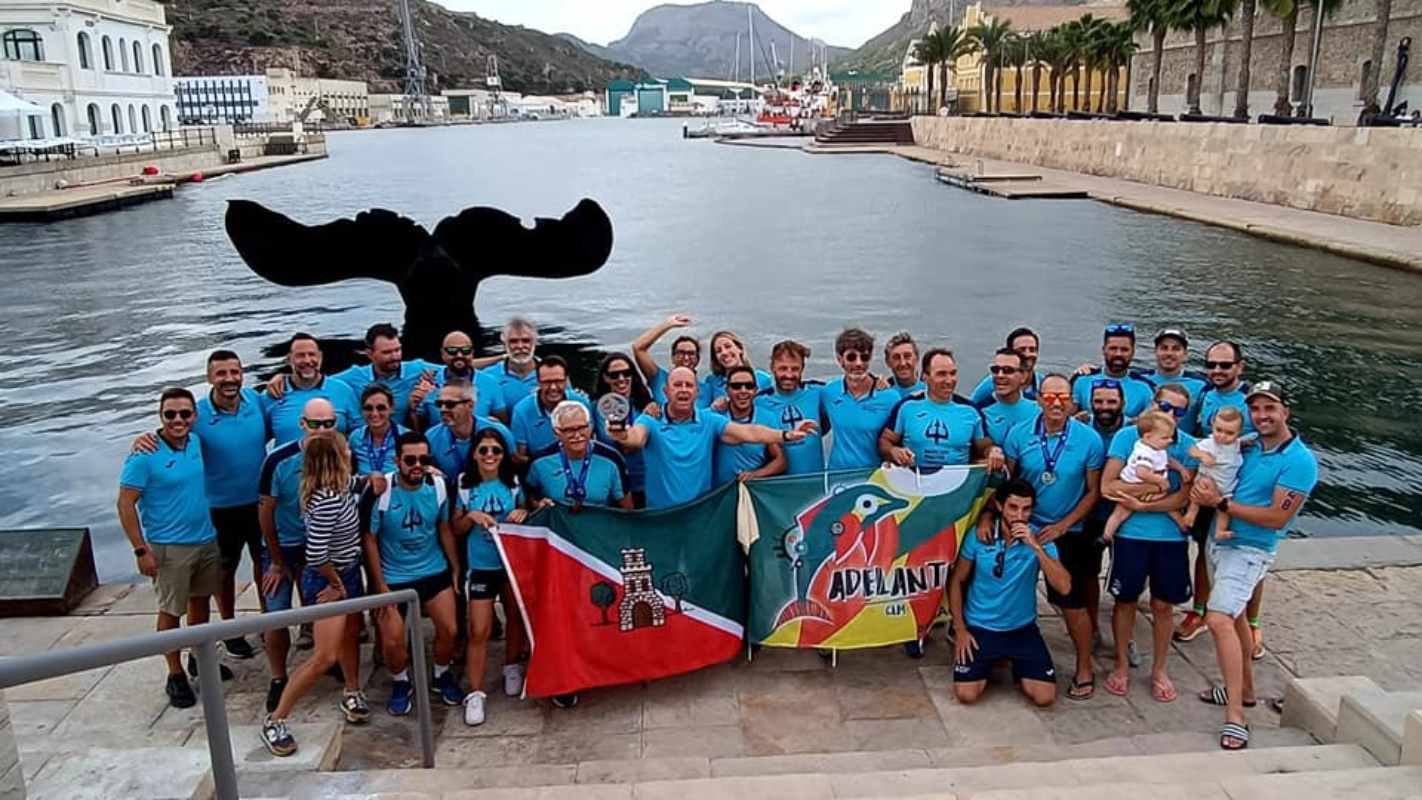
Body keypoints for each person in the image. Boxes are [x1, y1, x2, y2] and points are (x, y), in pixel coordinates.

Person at [1189, 381, 1317, 751]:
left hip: (1250, 550)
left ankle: (1235, 717)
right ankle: (1244, 690)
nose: (1262, 416)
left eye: (1270, 409)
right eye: (1256, 409)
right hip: (1221, 542)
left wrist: (1221, 504)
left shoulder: (1299, 461)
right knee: (1239, 615)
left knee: (1218, 619)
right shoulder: (1249, 444)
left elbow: (1278, 517)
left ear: (1285, 412)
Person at [261, 434, 371, 757]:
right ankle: (276, 719)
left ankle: (352, 690)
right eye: (346, 450)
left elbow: (362, 482)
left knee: (351, 634)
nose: (351, 452)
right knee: (324, 656)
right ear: (337, 458)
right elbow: (316, 554)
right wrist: (337, 586)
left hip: (347, 571)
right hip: (328, 579)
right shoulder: (326, 501)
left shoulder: (343, 487)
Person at [116, 388, 225, 709]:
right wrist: (140, 549)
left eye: (185, 414)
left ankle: (199, 658)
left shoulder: (196, 443)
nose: (178, 420)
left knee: (201, 603)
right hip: (168, 547)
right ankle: (174, 673)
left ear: (194, 416)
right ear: (160, 416)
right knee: (170, 610)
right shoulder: (144, 455)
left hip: (205, 539)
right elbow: (125, 504)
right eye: (170, 414)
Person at [1000, 374, 1105, 699]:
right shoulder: (1018, 435)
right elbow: (1009, 483)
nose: (1056, 403)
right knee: (1006, 586)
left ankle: (1084, 665)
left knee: (1070, 602)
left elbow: (1093, 492)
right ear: (1039, 400)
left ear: (1073, 401)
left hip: (1068, 530)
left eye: (1062, 397)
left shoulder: (1089, 440)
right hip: (1025, 524)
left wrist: (1063, 525)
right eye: (1049, 396)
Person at [1100, 383, 1199, 702]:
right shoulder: (1128, 438)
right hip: (1130, 535)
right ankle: (1121, 665)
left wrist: (1143, 503)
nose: (1169, 415)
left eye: (1178, 411)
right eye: (1164, 406)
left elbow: (1184, 496)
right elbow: (1107, 485)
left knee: (1163, 605)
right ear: (1152, 403)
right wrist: (1153, 494)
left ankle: (1159, 669)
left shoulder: (1187, 446)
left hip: (1169, 538)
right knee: (1125, 600)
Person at [607, 366, 815, 509]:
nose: (683, 390)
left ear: (697, 391)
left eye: (689, 385)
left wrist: (786, 434)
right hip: (661, 515)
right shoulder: (651, 419)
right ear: (666, 391)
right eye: (677, 385)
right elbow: (636, 438)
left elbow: (750, 432)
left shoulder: (709, 420)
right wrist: (622, 434)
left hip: (702, 513)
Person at [361, 431, 464, 714]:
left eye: (424, 459)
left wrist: (455, 568)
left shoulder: (439, 486)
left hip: (433, 569)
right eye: (410, 459)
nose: (417, 465)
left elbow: (444, 528)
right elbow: (369, 537)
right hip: (394, 576)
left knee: (450, 630)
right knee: (393, 642)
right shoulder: (382, 492)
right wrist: (379, 585)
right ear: (397, 461)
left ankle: (441, 674)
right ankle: (401, 680)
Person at [948, 480, 1070, 707]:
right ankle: (994, 661)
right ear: (1000, 506)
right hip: (981, 626)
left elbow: (1064, 586)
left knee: (1044, 698)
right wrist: (960, 629)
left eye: (1026, 509)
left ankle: (1010, 661)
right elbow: (957, 581)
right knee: (967, 694)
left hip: (1021, 628)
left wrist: (1035, 546)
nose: (1019, 515)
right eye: (1013, 508)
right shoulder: (980, 534)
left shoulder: (1039, 538)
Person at [182, 351, 268, 659]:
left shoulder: (257, 402)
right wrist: (146, 442)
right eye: (221, 374)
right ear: (209, 378)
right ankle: (229, 628)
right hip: (219, 508)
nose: (229, 379)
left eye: (234, 372)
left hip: (259, 503)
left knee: (265, 565)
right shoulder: (198, 415)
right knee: (224, 570)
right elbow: (173, 437)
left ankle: (269, 620)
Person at [257, 398, 341, 713]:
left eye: (329, 424)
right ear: (302, 425)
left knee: (322, 609)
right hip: (284, 547)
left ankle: (326, 659)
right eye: (315, 424)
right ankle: (278, 677)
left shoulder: (341, 456)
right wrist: (277, 561)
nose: (322, 430)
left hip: (320, 550)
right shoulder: (278, 460)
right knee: (276, 615)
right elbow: (265, 512)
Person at [452, 428, 531, 726]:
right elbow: (455, 528)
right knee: (479, 629)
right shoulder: (464, 485)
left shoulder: (512, 484)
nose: (489, 456)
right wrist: (471, 516)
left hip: (509, 565)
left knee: (514, 616)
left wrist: (522, 511)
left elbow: (526, 511)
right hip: (481, 566)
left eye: (495, 451)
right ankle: (475, 692)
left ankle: (512, 666)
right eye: (483, 450)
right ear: (474, 453)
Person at [1177, 340, 1253, 644]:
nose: (1217, 370)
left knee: (1245, 556)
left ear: (1239, 366)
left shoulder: (1250, 399)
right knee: (1203, 549)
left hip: (1238, 486)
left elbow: (1262, 435)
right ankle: (1200, 609)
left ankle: (1251, 621)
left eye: (1224, 365)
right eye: (1211, 365)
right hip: (1209, 480)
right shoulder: (1205, 393)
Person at [880, 348, 1004, 473]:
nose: (949, 380)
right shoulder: (906, 406)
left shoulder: (971, 411)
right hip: (914, 482)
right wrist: (893, 451)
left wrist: (994, 451)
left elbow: (985, 447)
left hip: (957, 485)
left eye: (952, 373)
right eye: (941, 374)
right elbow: (885, 441)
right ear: (925, 377)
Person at [1099, 411, 1189, 542]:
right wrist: (1159, 482)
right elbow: (1142, 472)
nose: (1170, 441)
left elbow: (1167, 460)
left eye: (1170, 437)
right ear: (1147, 437)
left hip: (1152, 485)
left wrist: (1181, 469)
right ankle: (1107, 535)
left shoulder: (1157, 448)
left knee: (1169, 506)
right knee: (1120, 512)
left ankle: (1183, 526)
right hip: (1134, 484)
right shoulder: (1144, 453)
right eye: (1165, 438)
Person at [528, 402, 632, 510]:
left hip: (600, 525)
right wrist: (538, 505)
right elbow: (527, 502)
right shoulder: (539, 462)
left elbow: (627, 510)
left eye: (582, 428)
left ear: (591, 427)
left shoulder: (612, 458)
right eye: (569, 430)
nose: (577, 435)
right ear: (556, 432)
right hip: (556, 525)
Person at [822, 328, 901, 470]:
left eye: (864, 357)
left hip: (875, 477)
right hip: (837, 477)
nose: (858, 363)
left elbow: (898, 439)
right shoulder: (829, 392)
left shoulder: (890, 397)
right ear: (840, 360)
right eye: (851, 357)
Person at [261, 333, 360, 445]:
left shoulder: (343, 391)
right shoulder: (273, 394)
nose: (307, 360)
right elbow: (257, 437)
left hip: (333, 461)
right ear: (289, 360)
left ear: (320, 357)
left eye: (312, 354)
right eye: (300, 355)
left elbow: (360, 434)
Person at [591, 352, 657, 503]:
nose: (621, 379)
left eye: (627, 373)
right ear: (605, 378)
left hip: (644, 480)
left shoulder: (646, 404)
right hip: (612, 482)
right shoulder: (596, 407)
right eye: (614, 375)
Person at [756, 340, 826, 475]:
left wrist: (876, 383)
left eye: (795, 369)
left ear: (802, 369)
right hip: (779, 484)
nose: (789, 375)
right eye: (783, 368)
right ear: (772, 368)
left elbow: (851, 390)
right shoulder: (759, 401)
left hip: (815, 482)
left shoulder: (818, 392)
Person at [411, 330, 507, 428]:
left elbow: (502, 423)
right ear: (442, 353)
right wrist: (413, 407)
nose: (459, 355)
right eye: (452, 351)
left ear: (472, 353)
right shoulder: (429, 381)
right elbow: (419, 426)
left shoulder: (490, 383)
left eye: (466, 350)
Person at [424, 380, 516, 479]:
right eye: (439, 404)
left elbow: (514, 466)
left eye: (450, 404)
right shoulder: (431, 437)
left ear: (470, 405)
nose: (443, 409)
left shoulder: (499, 432)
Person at [712, 365, 787, 485]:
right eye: (736, 386)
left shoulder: (767, 418)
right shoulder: (715, 417)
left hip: (751, 490)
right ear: (727, 390)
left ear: (756, 390)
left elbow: (780, 460)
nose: (743, 391)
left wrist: (756, 474)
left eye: (749, 386)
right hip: (719, 493)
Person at [510, 356, 592, 463]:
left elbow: (591, 440)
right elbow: (521, 457)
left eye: (558, 381)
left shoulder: (581, 402)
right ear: (538, 382)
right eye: (547, 382)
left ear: (566, 380)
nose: (553, 387)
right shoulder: (522, 411)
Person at [1182, 406, 1248, 540]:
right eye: (1218, 430)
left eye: (1229, 433)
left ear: (1239, 432)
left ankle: (1220, 530)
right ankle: (1190, 517)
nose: (1222, 436)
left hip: (1226, 487)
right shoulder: (1209, 443)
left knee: (1225, 509)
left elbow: (1249, 439)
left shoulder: (1236, 444)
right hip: (1207, 480)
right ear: (1213, 425)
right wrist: (1202, 456)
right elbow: (1192, 450)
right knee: (1197, 498)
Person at [1070, 323, 1155, 419]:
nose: (1118, 354)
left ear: (1133, 352)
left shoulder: (1145, 388)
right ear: (1103, 350)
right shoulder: (1081, 381)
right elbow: (1067, 418)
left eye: (1124, 350)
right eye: (1113, 349)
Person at [1134, 329, 1209, 435]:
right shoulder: (1139, 380)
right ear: (1155, 351)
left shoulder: (1201, 385)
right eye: (1164, 348)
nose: (1169, 353)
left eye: (1176, 349)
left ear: (1185, 354)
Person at [632, 314, 703, 405]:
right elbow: (638, 348)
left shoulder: (707, 388)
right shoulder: (659, 378)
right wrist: (668, 324)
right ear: (672, 358)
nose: (686, 358)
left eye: (691, 353)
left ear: (697, 359)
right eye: (681, 353)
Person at [979, 348, 1041, 445]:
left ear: (1023, 376)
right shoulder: (980, 411)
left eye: (1008, 370)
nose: (1000, 375)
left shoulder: (1038, 406)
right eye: (995, 370)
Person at [478, 318, 541, 412]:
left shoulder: (553, 372)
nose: (520, 346)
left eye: (526, 340)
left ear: (535, 341)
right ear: (504, 343)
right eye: (513, 341)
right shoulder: (488, 376)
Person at [971, 327, 1043, 405]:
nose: (1027, 354)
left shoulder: (1044, 384)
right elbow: (971, 407)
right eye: (1021, 350)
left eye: (1032, 350)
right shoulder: (992, 384)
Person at [702, 329, 773, 408]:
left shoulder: (763, 379)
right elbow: (699, 413)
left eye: (728, 346)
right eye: (718, 351)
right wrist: (714, 407)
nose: (724, 353)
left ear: (740, 349)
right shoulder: (712, 382)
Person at [349, 385, 407, 478]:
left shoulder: (406, 437)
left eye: (381, 408)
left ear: (391, 409)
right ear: (361, 411)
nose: (374, 414)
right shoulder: (355, 438)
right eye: (368, 408)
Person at [883, 331, 924, 398]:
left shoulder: (931, 392)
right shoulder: (881, 394)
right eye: (896, 357)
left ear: (917, 359)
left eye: (907, 356)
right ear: (888, 362)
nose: (902, 363)